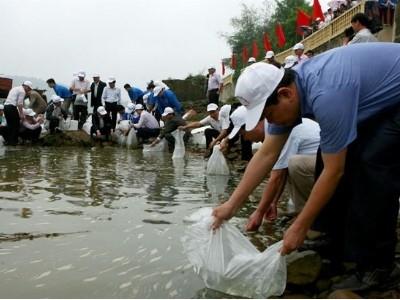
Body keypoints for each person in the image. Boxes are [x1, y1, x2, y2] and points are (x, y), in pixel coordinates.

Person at [212, 43, 400, 291]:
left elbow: (336, 172)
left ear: (285, 95)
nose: (269, 122)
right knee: (327, 156)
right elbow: (267, 154)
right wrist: (230, 206)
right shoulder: (289, 93)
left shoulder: (327, 93)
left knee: (372, 165)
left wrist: (299, 226)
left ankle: (379, 265)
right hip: (373, 98)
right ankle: (335, 240)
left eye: (268, 115)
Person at [3, 81, 33, 145]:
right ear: (26, 86)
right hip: (11, 107)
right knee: (16, 125)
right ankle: (13, 142)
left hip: (5, 107)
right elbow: (20, 104)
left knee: (10, 125)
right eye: (29, 88)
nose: (28, 90)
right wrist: (21, 114)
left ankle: (8, 141)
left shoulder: (15, 88)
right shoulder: (22, 91)